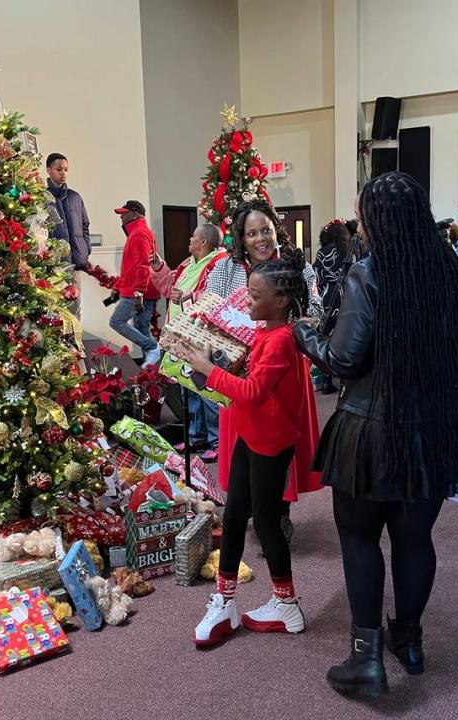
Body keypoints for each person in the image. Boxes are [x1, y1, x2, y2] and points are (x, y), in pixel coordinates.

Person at [296, 172, 458, 696]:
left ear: (377, 221)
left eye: (362, 215)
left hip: (371, 431)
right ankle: (410, 640)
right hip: (436, 431)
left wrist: (305, 333)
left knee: (359, 538)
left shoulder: (369, 271)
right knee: (414, 538)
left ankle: (365, 659)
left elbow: (343, 359)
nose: (358, 224)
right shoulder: (456, 269)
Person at [177, 247, 322, 647]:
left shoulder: (281, 341)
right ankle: (224, 600)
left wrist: (210, 370)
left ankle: (286, 601)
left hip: (270, 442)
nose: (248, 302)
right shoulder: (264, 334)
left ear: (281, 302)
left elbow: (255, 391)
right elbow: (248, 382)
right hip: (248, 435)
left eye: (255, 298)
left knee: (267, 521)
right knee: (236, 514)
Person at [204, 199, 323, 542]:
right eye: (252, 233)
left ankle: (279, 512)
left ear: (276, 229)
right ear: (240, 237)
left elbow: (315, 313)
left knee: (279, 442)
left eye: (266, 231)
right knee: (243, 443)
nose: (260, 239)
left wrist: (283, 327)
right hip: (238, 370)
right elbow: (209, 311)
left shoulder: (298, 267)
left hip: (284, 368)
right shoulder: (225, 270)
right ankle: (250, 509)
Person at [169, 224, 226, 461]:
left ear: (203, 242)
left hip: (202, 334)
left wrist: (188, 296)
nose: (189, 240)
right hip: (183, 331)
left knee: (205, 388)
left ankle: (216, 440)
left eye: (193, 236)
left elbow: (218, 297)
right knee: (187, 385)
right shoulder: (188, 263)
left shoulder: (219, 263)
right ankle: (196, 435)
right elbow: (170, 284)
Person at [108, 201, 161, 367]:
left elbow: (142, 264)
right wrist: (117, 287)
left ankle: (153, 347)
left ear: (135, 214)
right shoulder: (137, 233)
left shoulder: (139, 234)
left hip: (137, 291)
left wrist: (138, 291)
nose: (121, 217)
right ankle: (152, 368)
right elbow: (130, 267)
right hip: (144, 290)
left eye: (124, 213)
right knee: (141, 327)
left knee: (116, 321)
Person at [314, 219, 353, 394]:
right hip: (346, 295)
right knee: (344, 336)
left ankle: (326, 380)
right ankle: (345, 380)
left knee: (325, 336)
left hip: (327, 296)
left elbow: (318, 277)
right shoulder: (348, 252)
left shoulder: (322, 252)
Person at [45, 153, 92, 271]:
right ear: (49, 170)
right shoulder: (42, 197)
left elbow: (85, 225)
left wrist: (86, 249)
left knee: (76, 290)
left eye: (66, 170)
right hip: (54, 264)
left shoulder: (75, 197)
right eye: (59, 169)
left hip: (77, 261)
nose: (63, 173)